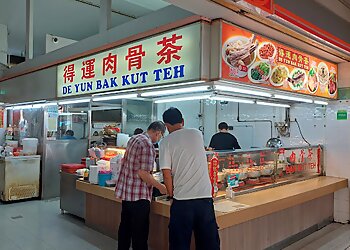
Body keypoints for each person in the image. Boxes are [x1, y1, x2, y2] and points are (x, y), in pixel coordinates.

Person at [159, 107, 220, 250]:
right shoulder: (197, 134)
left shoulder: (165, 142)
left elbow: (166, 173)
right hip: (205, 199)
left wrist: (170, 194)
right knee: (208, 243)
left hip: (183, 201)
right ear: (183, 121)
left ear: (166, 125)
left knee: (179, 244)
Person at [115, 121, 167, 250]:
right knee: (140, 234)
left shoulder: (135, 138)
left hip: (127, 192)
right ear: (158, 132)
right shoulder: (148, 145)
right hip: (139, 196)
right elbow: (143, 173)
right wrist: (161, 187)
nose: (159, 139)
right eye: (160, 136)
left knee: (125, 229)